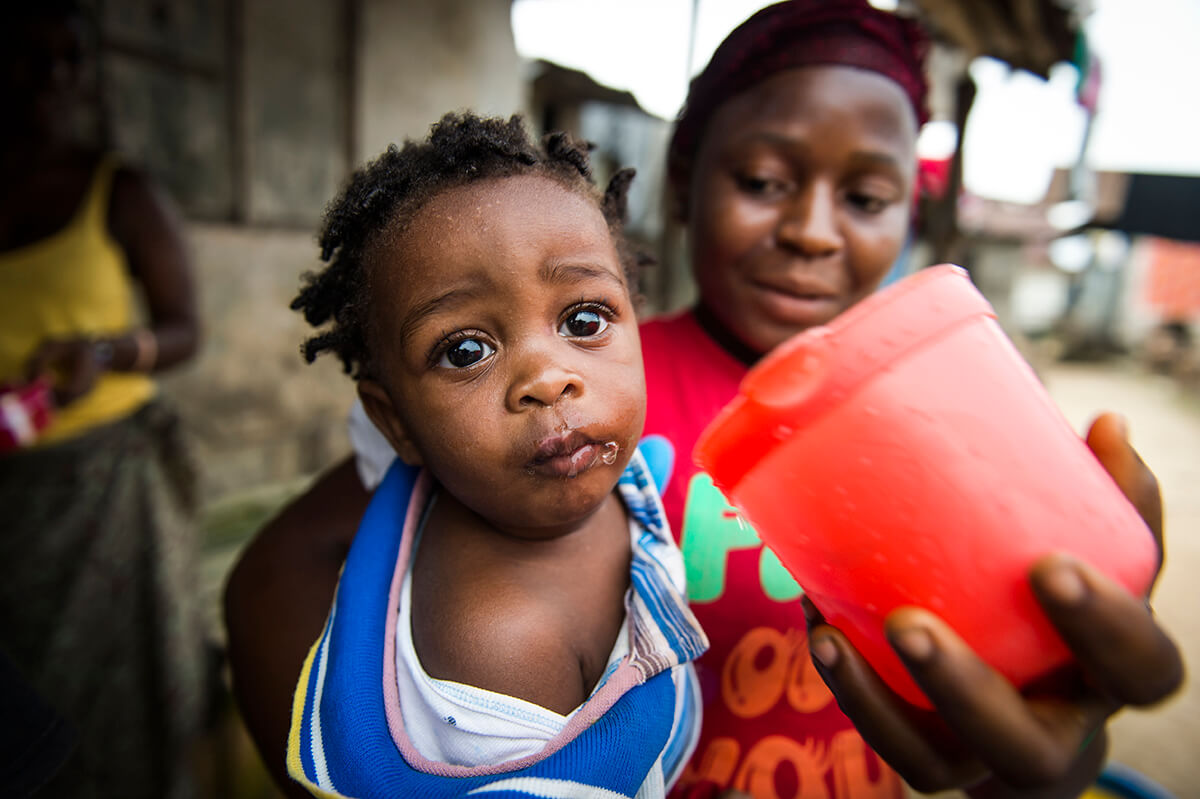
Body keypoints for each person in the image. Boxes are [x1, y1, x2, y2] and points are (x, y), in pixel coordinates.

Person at [225, 2, 1184, 797]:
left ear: (911, 214)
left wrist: (1050, 737)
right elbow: (274, 572)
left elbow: (1019, 673)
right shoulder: (574, 421)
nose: (811, 230)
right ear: (684, 183)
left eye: (866, 196)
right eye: (763, 180)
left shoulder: (952, 396)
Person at [279, 112, 707, 797]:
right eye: (466, 350)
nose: (548, 377)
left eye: (584, 319)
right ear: (396, 422)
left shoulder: (616, 473)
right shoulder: (504, 644)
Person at [0, 3, 206, 798]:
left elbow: (185, 329)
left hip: (108, 490)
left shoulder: (116, 190)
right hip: (10, 493)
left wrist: (107, 353)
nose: (49, 76)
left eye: (69, 58)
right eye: (29, 53)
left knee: (122, 698)